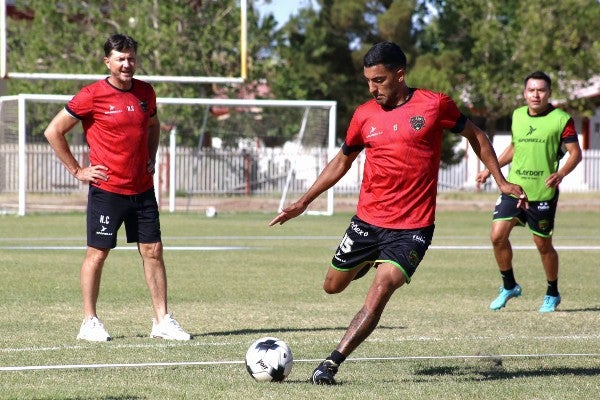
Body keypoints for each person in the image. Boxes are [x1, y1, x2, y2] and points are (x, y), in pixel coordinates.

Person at [269, 41, 527, 384]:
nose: (372, 88)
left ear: (400, 75)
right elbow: (342, 160)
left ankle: (330, 365)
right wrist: (304, 201)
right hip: (367, 222)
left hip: (412, 228)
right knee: (332, 287)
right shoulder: (364, 115)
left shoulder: (435, 105)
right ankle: (363, 261)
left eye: (379, 80)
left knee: (380, 293)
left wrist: (501, 180)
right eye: (368, 81)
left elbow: (476, 135)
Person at [44, 34, 191, 342]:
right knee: (97, 253)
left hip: (142, 189)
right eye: (121, 59)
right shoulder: (91, 95)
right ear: (107, 61)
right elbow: (53, 130)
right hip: (107, 191)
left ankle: (162, 320)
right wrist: (78, 171)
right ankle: (90, 322)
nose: (127, 64)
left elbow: (152, 125)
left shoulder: (145, 93)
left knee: (153, 251)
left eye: (131, 58)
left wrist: (151, 156)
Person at [476, 70, 582, 313]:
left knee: (543, 246)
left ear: (549, 93)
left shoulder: (561, 119)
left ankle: (552, 292)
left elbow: (575, 153)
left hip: (542, 193)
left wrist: (561, 173)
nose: (536, 94)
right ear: (524, 93)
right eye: (531, 90)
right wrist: (489, 170)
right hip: (515, 188)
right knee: (497, 236)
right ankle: (509, 286)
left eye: (541, 90)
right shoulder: (517, 115)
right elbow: (515, 146)